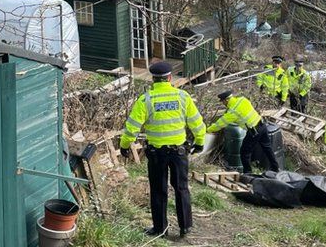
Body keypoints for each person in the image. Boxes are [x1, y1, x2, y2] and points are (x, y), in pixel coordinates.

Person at [120, 61, 205, 237]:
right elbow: (197, 123)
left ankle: (160, 228)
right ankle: (185, 227)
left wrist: (124, 145)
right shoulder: (182, 97)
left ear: (153, 79)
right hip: (179, 152)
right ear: (169, 78)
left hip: (156, 154)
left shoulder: (146, 99)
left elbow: (132, 127)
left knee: (158, 190)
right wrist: (199, 141)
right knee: (181, 188)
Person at [208, 91, 279, 173]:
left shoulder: (233, 112)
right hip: (262, 125)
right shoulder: (242, 99)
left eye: (223, 101)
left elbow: (220, 124)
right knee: (267, 148)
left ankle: (247, 173)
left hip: (254, 131)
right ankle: (275, 168)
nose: (223, 104)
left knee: (244, 152)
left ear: (226, 100)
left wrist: (208, 130)